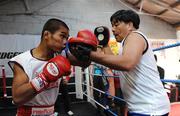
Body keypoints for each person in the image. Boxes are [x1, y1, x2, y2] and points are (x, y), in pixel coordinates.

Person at [69, 10, 170, 116]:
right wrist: (104, 44)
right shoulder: (125, 44)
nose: (113, 29)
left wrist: (89, 54)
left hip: (150, 108)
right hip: (142, 107)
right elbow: (114, 61)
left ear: (130, 25)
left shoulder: (135, 36)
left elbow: (127, 63)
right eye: (112, 26)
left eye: (116, 25)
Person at [8, 18, 96, 116]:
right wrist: (44, 78)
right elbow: (17, 98)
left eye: (67, 38)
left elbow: (85, 63)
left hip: (50, 112)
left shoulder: (62, 56)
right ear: (46, 35)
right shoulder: (23, 61)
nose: (65, 42)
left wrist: (87, 49)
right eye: (62, 36)